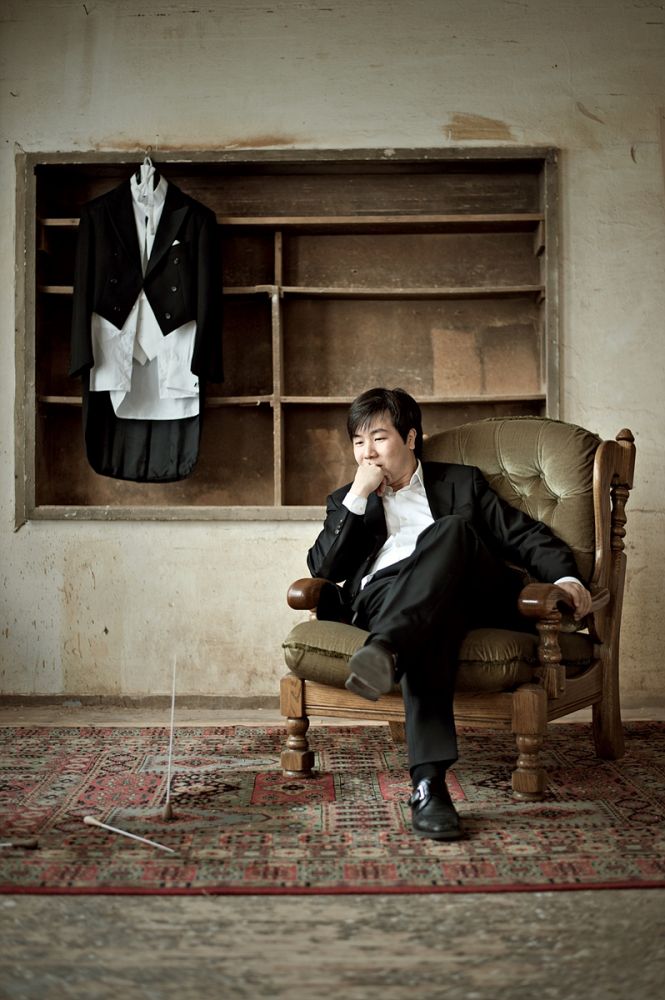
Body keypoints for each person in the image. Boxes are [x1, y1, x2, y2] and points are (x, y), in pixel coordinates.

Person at [307, 387, 592, 842]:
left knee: (452, 530)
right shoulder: (348, 500)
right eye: (358, 442)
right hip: (389, 596)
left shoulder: (461, 483)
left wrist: (568, 579)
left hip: (469, 588)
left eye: (378, 438)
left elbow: (524, 536)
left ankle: (386, 648)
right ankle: (429, 786)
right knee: (429, 624)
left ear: (410, 438)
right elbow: (323, 569)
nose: (367, 453)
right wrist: (357, 497)